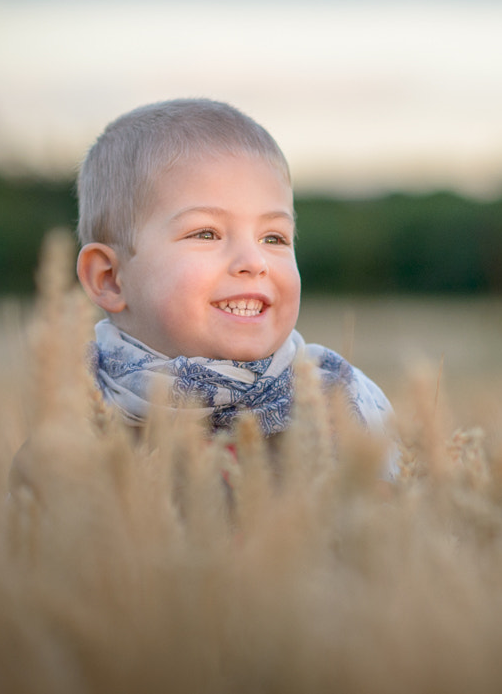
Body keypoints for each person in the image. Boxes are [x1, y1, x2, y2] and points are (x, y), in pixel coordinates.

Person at [74, 98, 394, 462]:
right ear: (110, 279)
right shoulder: (74, 420)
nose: (253, 262)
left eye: (273, 238)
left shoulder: (336, 404)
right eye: (207, 234)